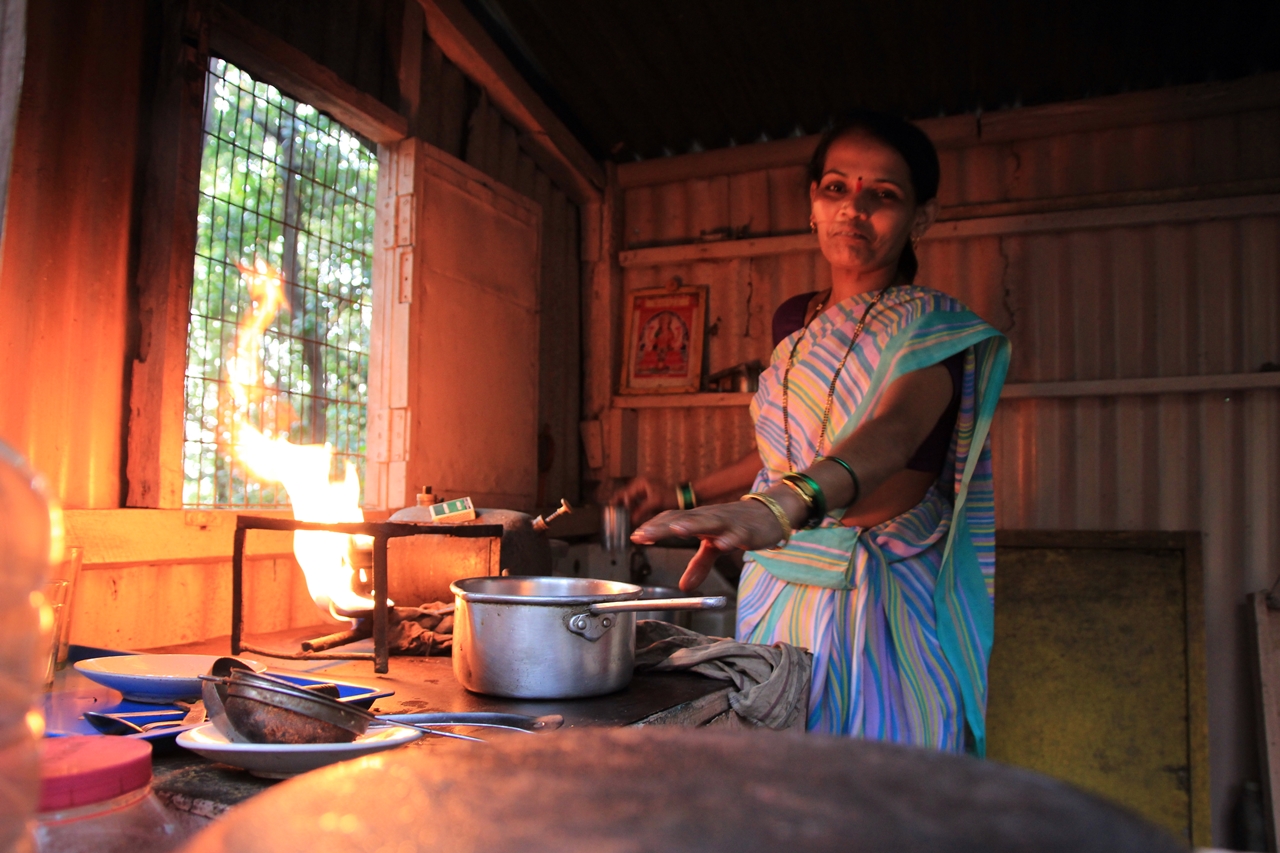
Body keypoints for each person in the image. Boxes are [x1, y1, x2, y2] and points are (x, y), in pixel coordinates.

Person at [617, 110, 1010, 755]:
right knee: (776, 774)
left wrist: (779, 507)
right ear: (812, 203)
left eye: (883, 195)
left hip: (880, 596)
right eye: (836, 188)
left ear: (922, 217)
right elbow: (788, 452)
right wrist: (684, 494)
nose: (853, 209)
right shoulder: (796, 319)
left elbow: (890, 435)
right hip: (780, 582)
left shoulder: (934, 328)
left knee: (872, 784)